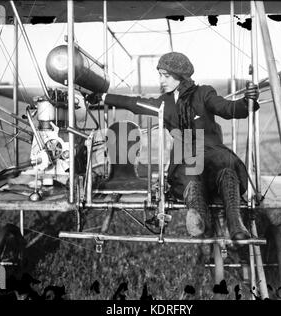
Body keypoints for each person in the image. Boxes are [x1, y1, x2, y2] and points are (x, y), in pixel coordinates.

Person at [87, 52, 259, 240]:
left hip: (211, 151)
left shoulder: (204, 93)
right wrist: (104, 97)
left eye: (166, 75)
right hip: (185, 158)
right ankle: (198, 215)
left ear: (180, 75)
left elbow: (226, 108)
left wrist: (246, 102)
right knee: (190, 170)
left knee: (224, 162)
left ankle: (236, 224)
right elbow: (134, 103)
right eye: (160, 75)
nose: (161, 80)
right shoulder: (165, 102)